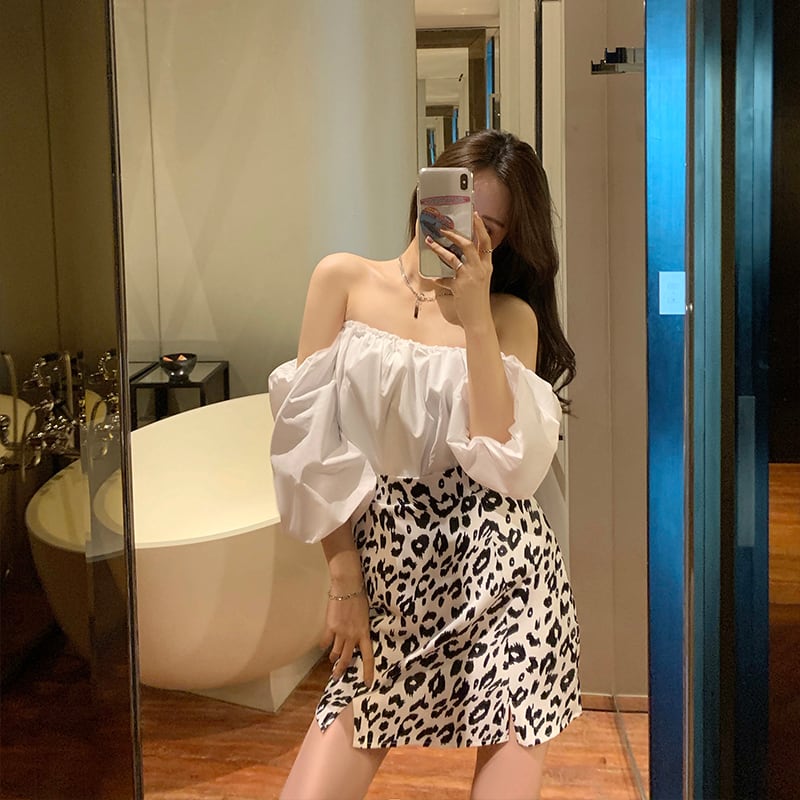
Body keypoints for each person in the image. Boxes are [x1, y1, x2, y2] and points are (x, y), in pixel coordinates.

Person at [268, 129, 581, 800]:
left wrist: (475, 321)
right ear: (427, 195)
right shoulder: (343, 280)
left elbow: (503, 463)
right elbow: (308, 446)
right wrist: (343, 580)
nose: (468, 235)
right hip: (385, 577)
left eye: (491, 228)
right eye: (460, 209)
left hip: (502, 579)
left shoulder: (510, 318)